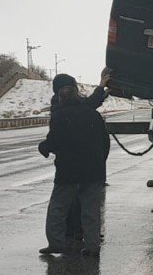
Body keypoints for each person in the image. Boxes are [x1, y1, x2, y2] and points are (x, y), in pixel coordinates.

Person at [38, 76, 110, 256]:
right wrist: (100, 162)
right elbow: (105, 141)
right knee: (91, 210)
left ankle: (56, 242)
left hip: (68, 171)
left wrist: (44, 148)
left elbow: (54, 140)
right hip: (93, 170)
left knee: (58, 207)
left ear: (58, 95)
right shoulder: (92, 113)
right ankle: (92, 246)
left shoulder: (59, 115)